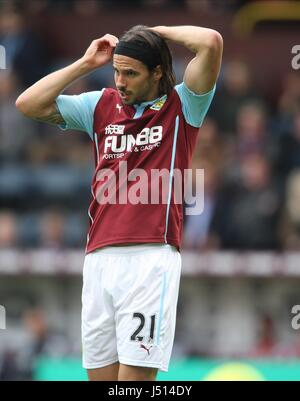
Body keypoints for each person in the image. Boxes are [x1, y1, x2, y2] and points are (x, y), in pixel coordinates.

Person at [16, 25, 223, 381]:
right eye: (116, 71)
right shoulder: (100, 105)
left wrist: (152, 32)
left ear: (157, 72)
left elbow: (211, 42)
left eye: (131, 72)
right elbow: (28, 103)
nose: (121, 81)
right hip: (98, 261)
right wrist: (83, 64)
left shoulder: (183, 105)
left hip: (149, 261)